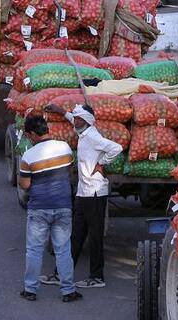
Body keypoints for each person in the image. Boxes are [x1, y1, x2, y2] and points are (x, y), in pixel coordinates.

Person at [42, 103, 123, 289]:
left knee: (95, 237)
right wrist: (62, 112)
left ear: (86, 121)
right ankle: (60, 273)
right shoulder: (83, 132)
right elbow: (73, 120)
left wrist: (101, 163)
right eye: (76, 118)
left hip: (94, 194)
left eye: (79, 119)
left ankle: (97, 277)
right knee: (76, 236)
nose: (76, 121)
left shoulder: (93, 137)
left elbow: (116, 148)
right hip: (83, 193)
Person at [17, 115, 81, 302]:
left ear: (31, 134)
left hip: (39, 208)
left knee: (34, 250)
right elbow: (69, 172)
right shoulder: (65, 148)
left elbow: (25, 185)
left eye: (28, 135)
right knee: (63, 249)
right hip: (63, 206)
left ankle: (30, 290)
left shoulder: (29, 156)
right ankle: (68, 291)